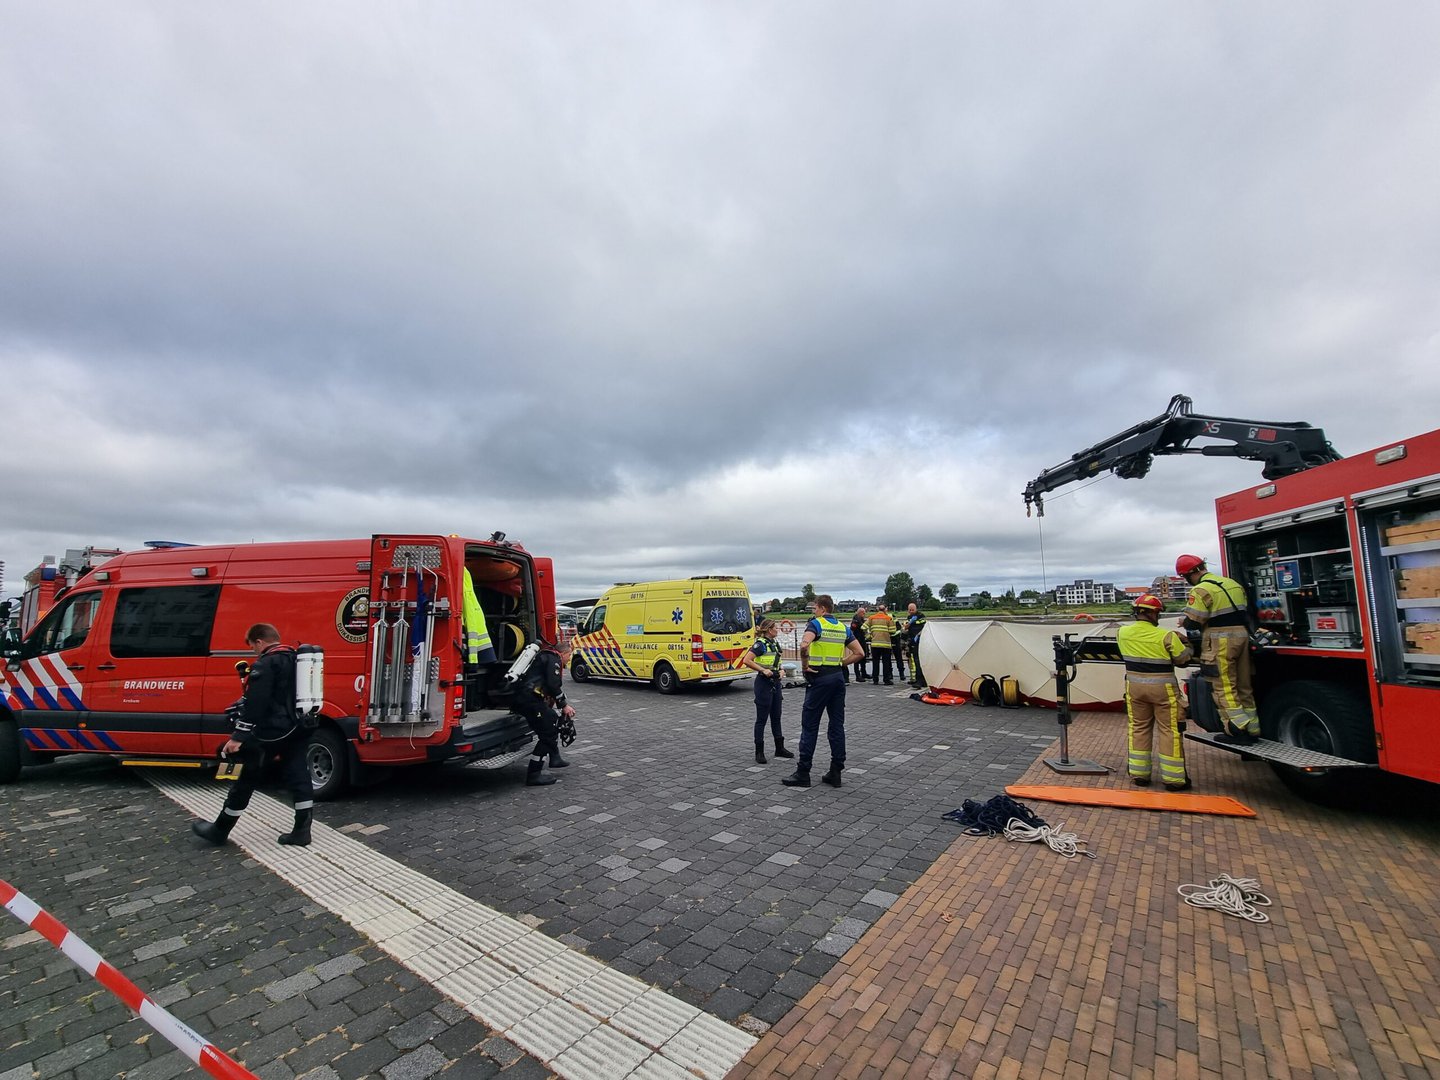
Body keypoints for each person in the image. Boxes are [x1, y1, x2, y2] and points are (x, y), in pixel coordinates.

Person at [192, 624, 314, 847]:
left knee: (246, 778)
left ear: (259, 641)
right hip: (298, 728)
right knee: (299, 776)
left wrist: (238, 737)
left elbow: (257, 703)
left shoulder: (266, 664)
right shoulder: (298, 660)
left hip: (270, 732)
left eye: (252, 646)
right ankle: (302, 831)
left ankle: (220, 829)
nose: (253, 651)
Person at [1177, 554, 1259, 746]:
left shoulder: (1201, 589)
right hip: (1242, 636)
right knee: (1243, 684)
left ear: (1190, 574)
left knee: (1223, 686)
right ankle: (1253, 728)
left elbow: (1195, 620)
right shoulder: (1231, 583)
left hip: (1220, 639)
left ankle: (1236, 729)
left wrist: (1184, 621)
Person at [784, 595, 864, 789]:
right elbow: (860, 653)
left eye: (814, 609)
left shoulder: (816, 625)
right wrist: (840, 664)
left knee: (810, 725)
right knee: (837, 725)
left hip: (819, 678)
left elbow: (804, 646)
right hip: (837, 678)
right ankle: (835, 772)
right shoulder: (842, 628)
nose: (813, 612)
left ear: (821, 608)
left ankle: (803, 773)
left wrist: (804, 666)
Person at [1118, 594, 1194, 790]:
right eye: (1157, 612)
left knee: (1138, 728)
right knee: (1169, 729)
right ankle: (1174, 779)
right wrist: (1187, 643)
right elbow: (1182, 659)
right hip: (1163, 690)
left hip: (1134, 688)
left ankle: (1139, 774)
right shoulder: (1166, 636)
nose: (1158, 616)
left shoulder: (1122, 633)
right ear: (1150, 613)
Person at [509, 636, 577, 786]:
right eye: (569, 655)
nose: (569, 659)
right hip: (530, 700)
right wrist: (564, 705)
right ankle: (534, 774)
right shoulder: (554, 659)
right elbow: (553, 685)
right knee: (548, 733)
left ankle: (555, 758)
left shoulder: (546, 657)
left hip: (527, 699)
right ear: (564, 653)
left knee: (552, 718)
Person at [740, 619, 793, 763]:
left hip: (775, 683)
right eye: (776, 627)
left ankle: (779, 748)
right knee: (762, 719)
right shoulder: (760, 645)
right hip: (764, 683)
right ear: (769, 630)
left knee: (776, 717)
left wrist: (781, 671)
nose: (778, 630)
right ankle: (759, 752)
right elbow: (747, 660)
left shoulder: (774, 644)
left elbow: (777, 662)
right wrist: (763, 670)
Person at [866, 603, 897, 685]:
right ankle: (886, 680)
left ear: (878, 609)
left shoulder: (871, 618)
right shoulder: (888, 618)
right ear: (885, 610)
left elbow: (863, 627)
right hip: (886, 644)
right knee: (886, 662)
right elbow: (893, 631)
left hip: (875, 644)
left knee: (875, 662)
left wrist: (869, 636)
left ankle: (875, 680)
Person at [904, 603, 928, 688]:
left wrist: (914, 622)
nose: (910, 611)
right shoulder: (909, 617)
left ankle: (920, 681)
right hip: (912, 641)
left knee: (918, 661)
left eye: (912, 610)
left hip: (920, 640)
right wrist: (910, 622)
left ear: (916, 609)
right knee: (915, 660)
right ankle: (919, 680)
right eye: (909, 610)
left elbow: (923, 624)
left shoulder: (921, 615)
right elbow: (906, 627)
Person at [846, 606, 870, 683]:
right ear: (860, 613)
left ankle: (864, 673)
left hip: (862, 640)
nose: (864, 614)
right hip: (857, 640)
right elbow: (852, 631)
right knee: (857, 658)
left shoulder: (861, 619)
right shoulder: (855, 621)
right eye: (863, 613)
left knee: (864, 657)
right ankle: (857, 675)